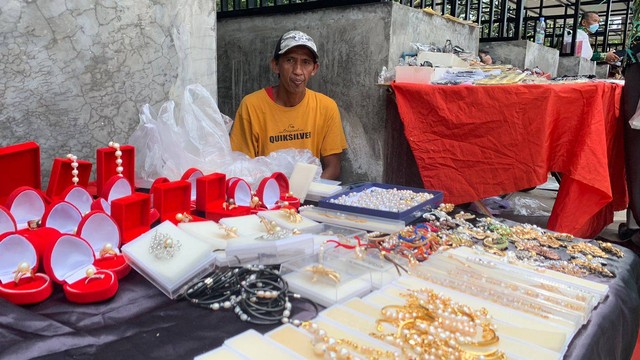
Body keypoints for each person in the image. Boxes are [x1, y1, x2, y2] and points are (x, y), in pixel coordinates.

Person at [229, 30, 348, 180]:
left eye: (306, 62)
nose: (298, 71)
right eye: (290, 60)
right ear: (276, 65)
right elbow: (241, 167)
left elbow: (333, 167)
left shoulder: (326, 107)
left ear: (314, 69)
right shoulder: (252, 106)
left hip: (309, 196)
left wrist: (305, 192)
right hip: (265, 196)